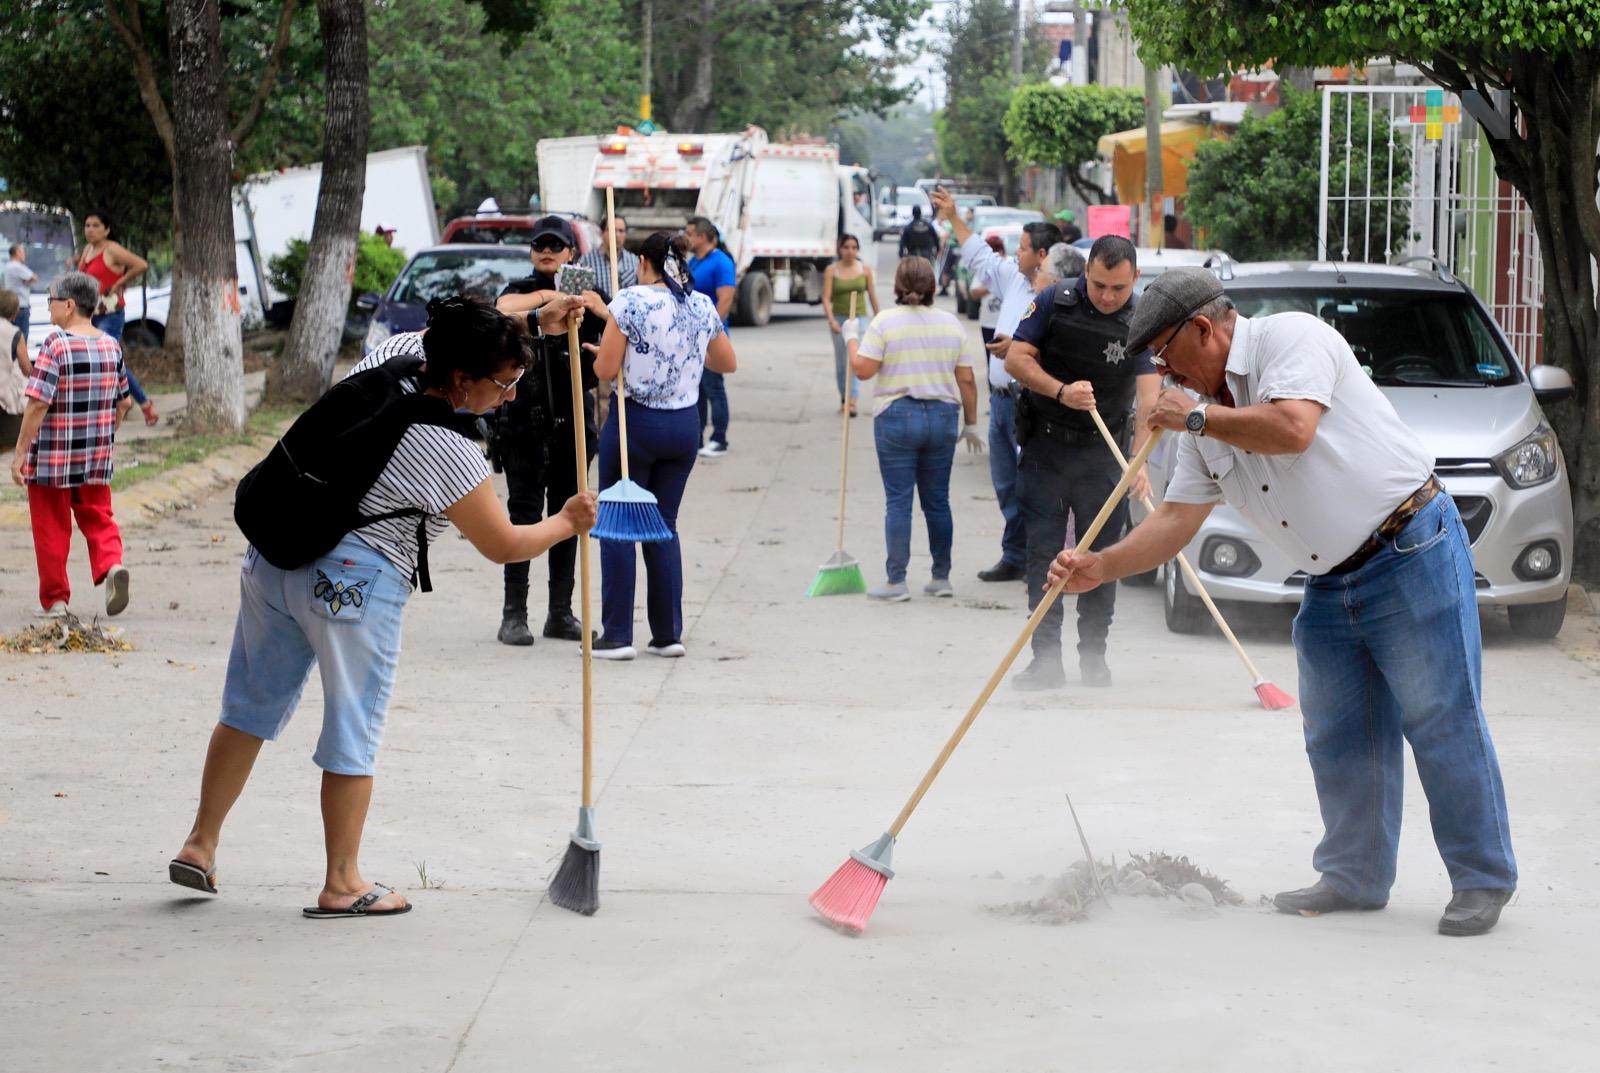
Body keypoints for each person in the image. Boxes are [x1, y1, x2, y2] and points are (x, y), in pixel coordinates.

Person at [1048, 267, 1518, 937]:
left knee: (1441, 716)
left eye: (1165, 353)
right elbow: (1177, 519)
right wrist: (1101, 566)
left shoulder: (1290, 340)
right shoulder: (1199, 422)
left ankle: (1481, 879)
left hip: (1409, 548)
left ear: (1203, 329)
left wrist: (1200, 417)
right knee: (1337, 733)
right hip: (1328, 580)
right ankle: (1355, 875)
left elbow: (1294, 428)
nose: (1163, 371)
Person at [168, 295, 599, 918]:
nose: (509, 396)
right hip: (352, 585)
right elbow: (505, 544)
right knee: (353, 726)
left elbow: (466, 326)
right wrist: (565, 521)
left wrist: (534, 324)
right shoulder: (448, 453)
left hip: (274, 557)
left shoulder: (398, 355)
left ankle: (200, 843)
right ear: (460, 379)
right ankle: (342, 882)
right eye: (503, 384)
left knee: (247, 707)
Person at [1003, 235, 1158, 690]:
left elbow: (1150, 399)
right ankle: (1046, 660)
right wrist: (1060, 391)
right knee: (1043, 559)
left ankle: (1094, 658)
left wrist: (1140, 459)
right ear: (1085, 272)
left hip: (1103, 456)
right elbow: (1016, 358)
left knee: (1100, 560)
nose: (1108, 297)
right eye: (1099, 285)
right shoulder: (1056, 300)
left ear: (1135, 280)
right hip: (1047, 450)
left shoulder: (1141, 320)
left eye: (1119, 288)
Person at [591, 231, 737, 660]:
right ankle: (668, 634)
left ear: (643, 262)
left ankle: (618, 633)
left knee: (619, 523)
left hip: (635, 422)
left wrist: (606, 347)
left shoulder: (631, 301)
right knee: (664, 525)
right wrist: (686, 355)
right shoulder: (700, 304)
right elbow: (726, 362)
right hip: (684, 426)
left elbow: (604, 369)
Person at [932, 187, 1063, 584]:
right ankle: (1015, 554)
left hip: (1034, 403)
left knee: (1034, 483)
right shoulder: (1013, 280)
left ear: (1042, 255)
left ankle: (1040, 557)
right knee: (1006, 481)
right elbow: (978, 256)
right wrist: (954, 216)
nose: (1015, 253)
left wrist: (1021, 352)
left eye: (1022, 248)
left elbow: (1061, 351)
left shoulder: (1060, 295)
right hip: (1002, 401)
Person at [491, 215, 606, 647]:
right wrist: (549, 300)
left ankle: (560, 613)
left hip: (573, 428)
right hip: (523, 428)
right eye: (540, 243)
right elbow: (502, 313)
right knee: (523, 517)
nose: (547, 251)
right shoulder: (518, 292)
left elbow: (619, 333)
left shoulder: (591, 296)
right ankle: (513, 614)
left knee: (568, 517)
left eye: (556, 245)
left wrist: (594, 309)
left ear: (571, 253)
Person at [846, 256, 983, 602]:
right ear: (933, 287)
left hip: (896, 416)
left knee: (899, 501)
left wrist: (851, 338)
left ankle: (896, 581)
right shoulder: (951, 324)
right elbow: (966, 379)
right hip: (941, 418)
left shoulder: (884, 323)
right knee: (937, 501)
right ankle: (941, 577)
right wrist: (971, 423)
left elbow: (862, 370)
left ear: (897, 285)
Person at [9, 272, 132, 618]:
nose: (48, 308)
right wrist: (105, 434)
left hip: (52, 458)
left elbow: (37, 403)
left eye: (50, 301)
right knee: (98, 515)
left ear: (69, 304)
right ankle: (111, 566)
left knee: (51, 526)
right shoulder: (111, 345)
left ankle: (56, 600)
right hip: (95, 456)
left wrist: (20, 453)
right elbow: (124, 402)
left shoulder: (56, 344)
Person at [73, 211, 158, 427]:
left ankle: (140, 403)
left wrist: (120, 282)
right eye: (87, 225)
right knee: (105, 363)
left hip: (110, 314)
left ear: (107, 229)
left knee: (109, 362)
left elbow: (141, 265)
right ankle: (133, 403)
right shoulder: (87, 249)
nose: (90, 229)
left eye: (95, 225)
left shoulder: (112, 249)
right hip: (89, 314)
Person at [683, 215, 735, 457]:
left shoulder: (721, 262)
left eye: (690, 233)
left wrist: (712, 334)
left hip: (712, 338)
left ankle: (720, 438)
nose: (687, 237)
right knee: (698, 390)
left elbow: (725, 300)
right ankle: (697, 438)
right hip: (693, 337)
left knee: (714, 388)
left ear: (703, 237)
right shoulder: (694, 261)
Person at [821, 233, 879, 416]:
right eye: (846, 247)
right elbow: (825, 297)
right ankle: (844, 398)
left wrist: (879, 318)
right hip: (839, 320)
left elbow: (872, 295)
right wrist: (831, 321)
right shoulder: (832, 270)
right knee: (841, 362)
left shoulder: (865, 270)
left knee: (856, 361)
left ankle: (852, 401)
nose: (850, 251)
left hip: (859, 319)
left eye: (854, 247)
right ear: (840, 249)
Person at [577, 213, 640, 293]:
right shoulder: (586, 261)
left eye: (621, 231)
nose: (617, 235)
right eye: (612, 230)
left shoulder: (634, 262)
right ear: (602, 233)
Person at [4, 244, 37, 339]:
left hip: (12, 306)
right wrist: (27, 282)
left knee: (13, 338)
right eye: (22, 252)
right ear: (17, 253)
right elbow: (34, 277)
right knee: (21, 338)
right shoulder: (17, 266)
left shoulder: (8, 266)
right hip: (21, 307)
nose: (24, 254)